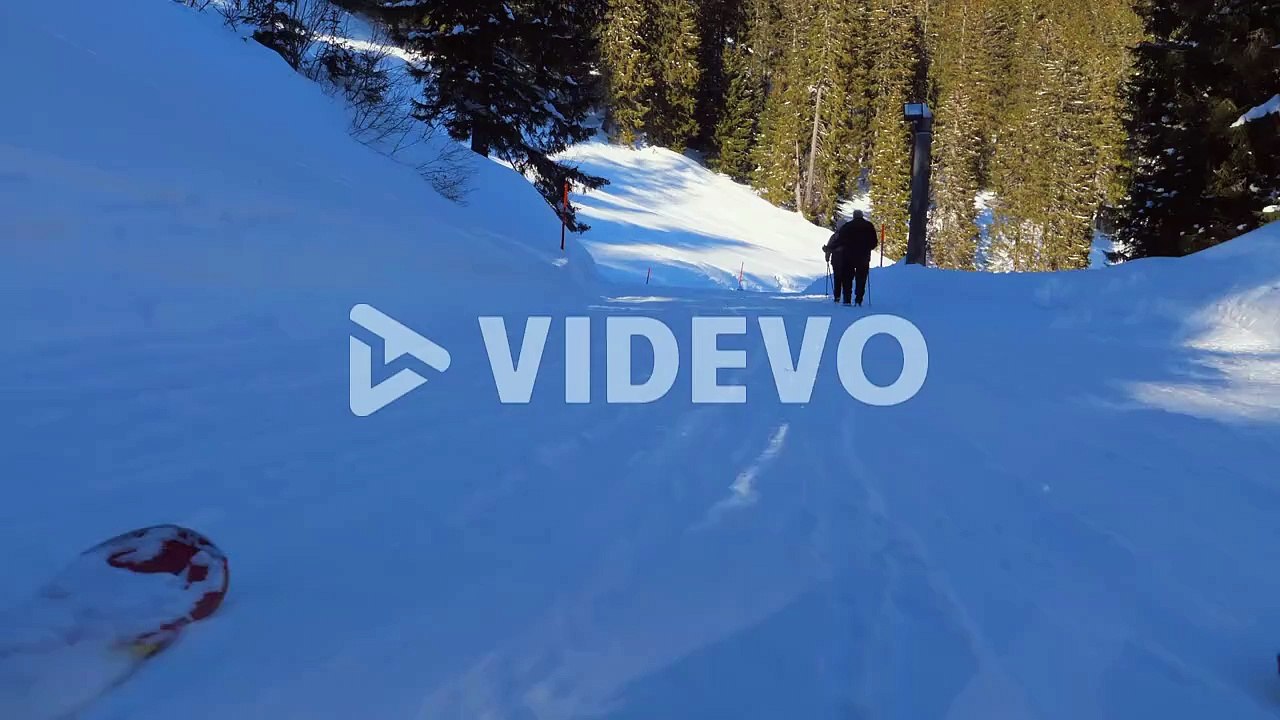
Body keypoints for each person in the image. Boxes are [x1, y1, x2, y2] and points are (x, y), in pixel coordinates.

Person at [823, 210, 879, 306]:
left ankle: (847, 299)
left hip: (849, 257)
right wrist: (867, 248)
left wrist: (829, 248)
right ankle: (858, 299)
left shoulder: (847, 226)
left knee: (847, 278)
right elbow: (874, 242)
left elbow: (839, 241)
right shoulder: (869, 226)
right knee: (861, 278)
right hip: (863, 257)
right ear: (861, 216)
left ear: (853, 216)